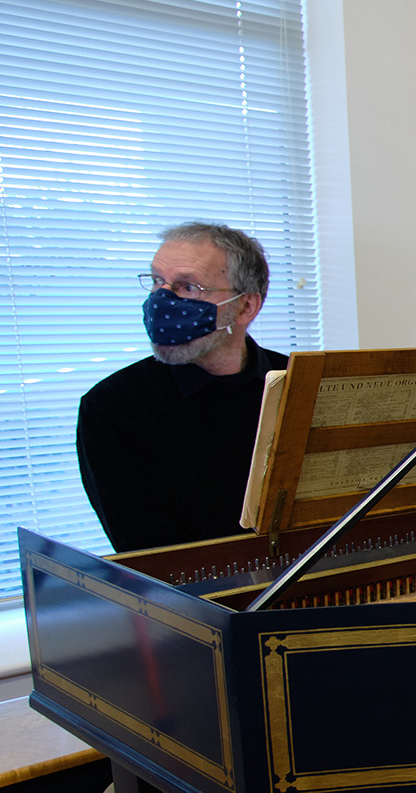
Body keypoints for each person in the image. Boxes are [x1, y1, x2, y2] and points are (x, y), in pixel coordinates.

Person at [76, 222, 288, 552]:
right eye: (158, 281)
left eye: (188, 287)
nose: (162, 300)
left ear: (246, 306)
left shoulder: (297, 382)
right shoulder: (112, 408)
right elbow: (153, 555)